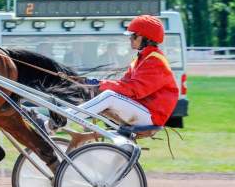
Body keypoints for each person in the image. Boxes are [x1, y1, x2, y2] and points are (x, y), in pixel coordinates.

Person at [34, 15, 179, 133]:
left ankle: (55, 123)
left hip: (152, 116)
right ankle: (60, 117)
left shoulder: (155, 61)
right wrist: (92, 82)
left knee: (109, 97)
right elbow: (124, 85)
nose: (130, 39)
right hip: (142, 109)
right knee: (99, 94)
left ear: (145, 38)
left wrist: (99, 84)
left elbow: (133, 90)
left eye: (133, 36)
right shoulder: (141, 58)